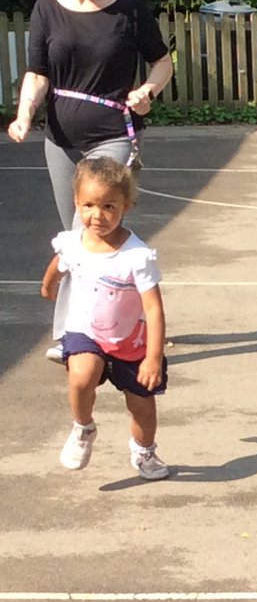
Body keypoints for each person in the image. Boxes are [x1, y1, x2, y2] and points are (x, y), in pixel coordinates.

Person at [7, 0, 173, 357]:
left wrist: (148, 90)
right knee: (76, 235)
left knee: (90, 228)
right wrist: (24, 114)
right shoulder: (46, 7)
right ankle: (81, 330)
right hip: (62, 139)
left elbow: (162, 61)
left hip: (113, 134)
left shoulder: (129, 9)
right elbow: (37, 73)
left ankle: (86, 332)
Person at [40, 156, 170, 480]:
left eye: (109, 207)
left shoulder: (136, 255)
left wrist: (153, 357)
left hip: (130, 341)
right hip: (86, 331)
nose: (97, 215)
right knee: (81, 377)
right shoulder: (73, 242)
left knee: (141, 407)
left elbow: (153, 309)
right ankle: (83, 427)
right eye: (88, 205)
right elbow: (60, 263)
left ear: (126, 206)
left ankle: (144, 450)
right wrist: (49, 284)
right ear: (77, 203)